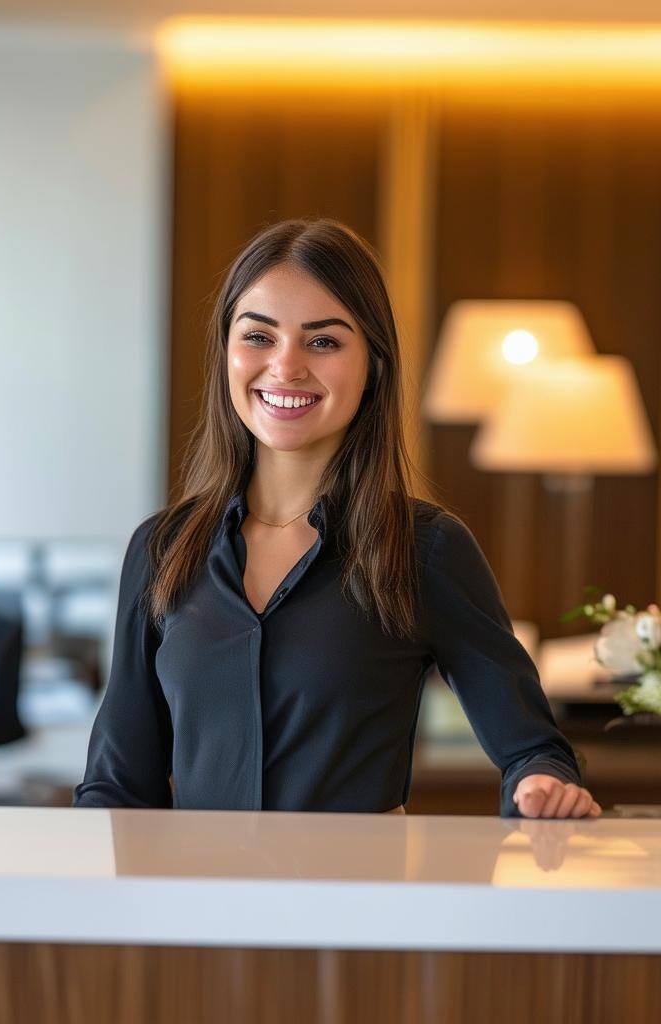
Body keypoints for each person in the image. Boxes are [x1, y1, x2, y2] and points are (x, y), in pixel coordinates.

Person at [74, 218, 601, 820]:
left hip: (358, 905)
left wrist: (541, 785)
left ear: (373, 364)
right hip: (195, 909)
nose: (286, 366)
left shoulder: (423, 548)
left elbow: (533, 749)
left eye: (323, 341)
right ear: (226, 353)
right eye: (258, 337)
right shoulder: (162, 548)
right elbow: (118, 784)